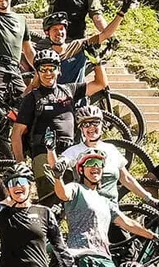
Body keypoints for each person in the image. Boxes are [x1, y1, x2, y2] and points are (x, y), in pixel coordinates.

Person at [48, 147, 157, 267]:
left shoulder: (105, 202)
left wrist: (153, 236)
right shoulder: (76, 188)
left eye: (99, 164)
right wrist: (58, 177)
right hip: (80, 255)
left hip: (104, 257)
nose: (95, 167)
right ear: (81, 170)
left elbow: (127, 223)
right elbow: (63, 194)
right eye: (90, 163)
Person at [11, 46, 109, 198]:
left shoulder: (68, 90)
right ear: (37, 72)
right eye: (43, 69)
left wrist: (96, 62)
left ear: (59, 70)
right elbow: (16, 133)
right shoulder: (31, 98)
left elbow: (100, 84)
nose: (48, 73)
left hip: (70, 153)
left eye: (52, 68)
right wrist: (20, 162)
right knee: (50, 199)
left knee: (73, 199)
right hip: (43, 155)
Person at [58, 104, 156, 205]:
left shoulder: (111, 149)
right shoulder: (74, 151)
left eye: (95, 122)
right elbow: (59, 163)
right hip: (87, 211)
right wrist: (53, 153)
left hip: (111, 210)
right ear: (81, 128)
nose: (91, 127)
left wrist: (148, 198)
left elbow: (126, 178)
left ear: (102, 125)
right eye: (86, 124)